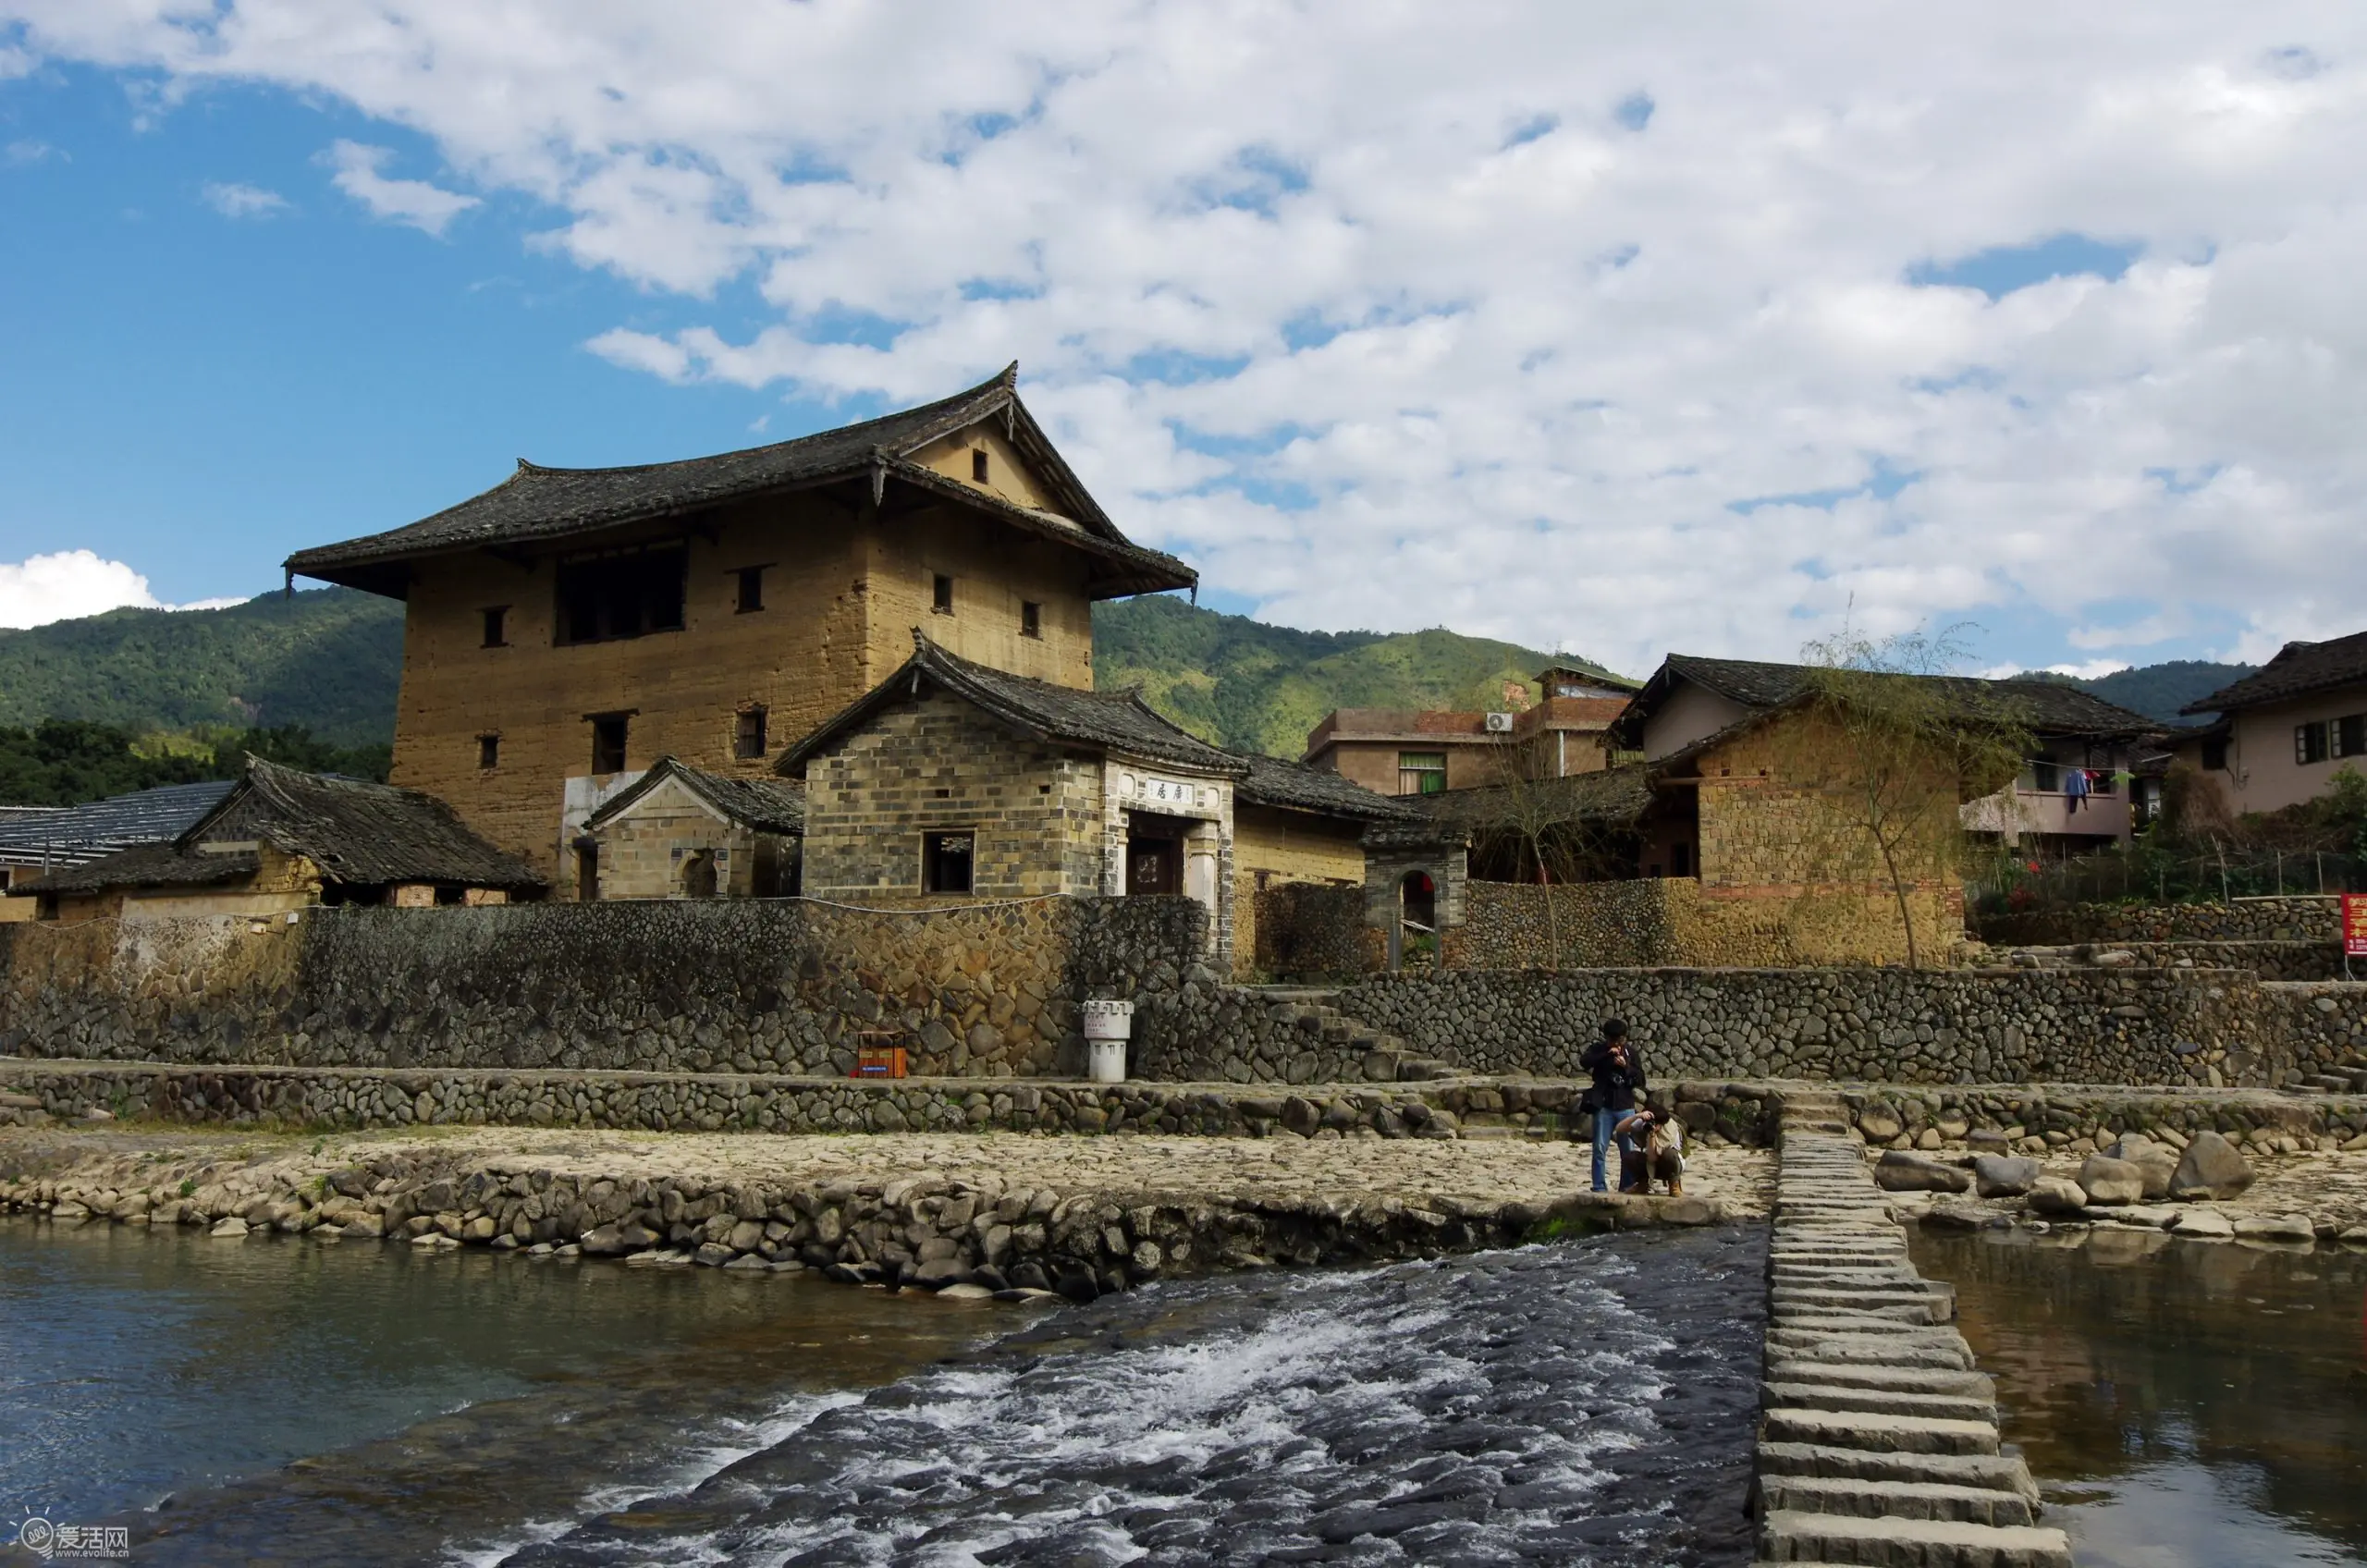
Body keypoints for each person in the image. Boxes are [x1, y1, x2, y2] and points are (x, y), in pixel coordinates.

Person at [1577, 1019, 1645, 1193]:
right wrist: (1606, 1055)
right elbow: (1584, 1062)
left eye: (1620, 1040)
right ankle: (1599, 1186)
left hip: (1625, 1105)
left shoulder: (1631, 1052)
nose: (1617, 1043)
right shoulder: (1599, 1049)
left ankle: (1627, 1186)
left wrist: (1626, 1067)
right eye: (1613, 1040)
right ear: (1606, 1038)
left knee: (1628, 1150)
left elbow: (1641, 1079)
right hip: (1603, 1105)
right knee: (1599, 1147)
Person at [1613, 1103, 1685, 1195]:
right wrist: (1637, 1116)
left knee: (1669, 1154)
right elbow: (1619, 1128)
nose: (1653, 1125)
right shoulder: (1646, 1123)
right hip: (1651, 1162)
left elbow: (1654, 1157)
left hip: (1670, 1165)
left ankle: (1674, 1184)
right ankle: (1642, 1184)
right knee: (1630, 1157)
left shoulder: (1670, 1129)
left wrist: (1652, 1135)